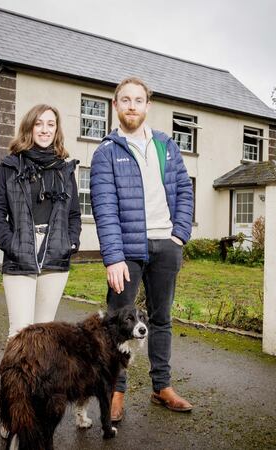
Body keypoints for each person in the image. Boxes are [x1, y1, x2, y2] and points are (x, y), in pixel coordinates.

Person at [90, 77, 195, 422]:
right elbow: (104, 207)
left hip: (166, 246)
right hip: (127, 251)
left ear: (148, 106)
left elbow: (184, 191)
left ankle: (161, 387)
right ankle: (115, 393)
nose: (132, 106)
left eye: (139, 100)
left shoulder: (167, 145)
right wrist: (113, 256)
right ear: (115, 105)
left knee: (161, 319)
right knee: (116, 324)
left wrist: (179, 235)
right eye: (126, 100)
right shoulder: (106, 151)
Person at [0, 103, 81, 339]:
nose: (45, 130)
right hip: (20, 254)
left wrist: (71, 242)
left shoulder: (64, 170)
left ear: (57, 130)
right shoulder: (10, 167)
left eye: (50, 124)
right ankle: (15, 378)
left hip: (55, 254)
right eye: (39, 124)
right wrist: (11, 243)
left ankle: (39, 378)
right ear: (29, 128)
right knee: (20, 332)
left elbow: (74, 214)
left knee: (44, 333)